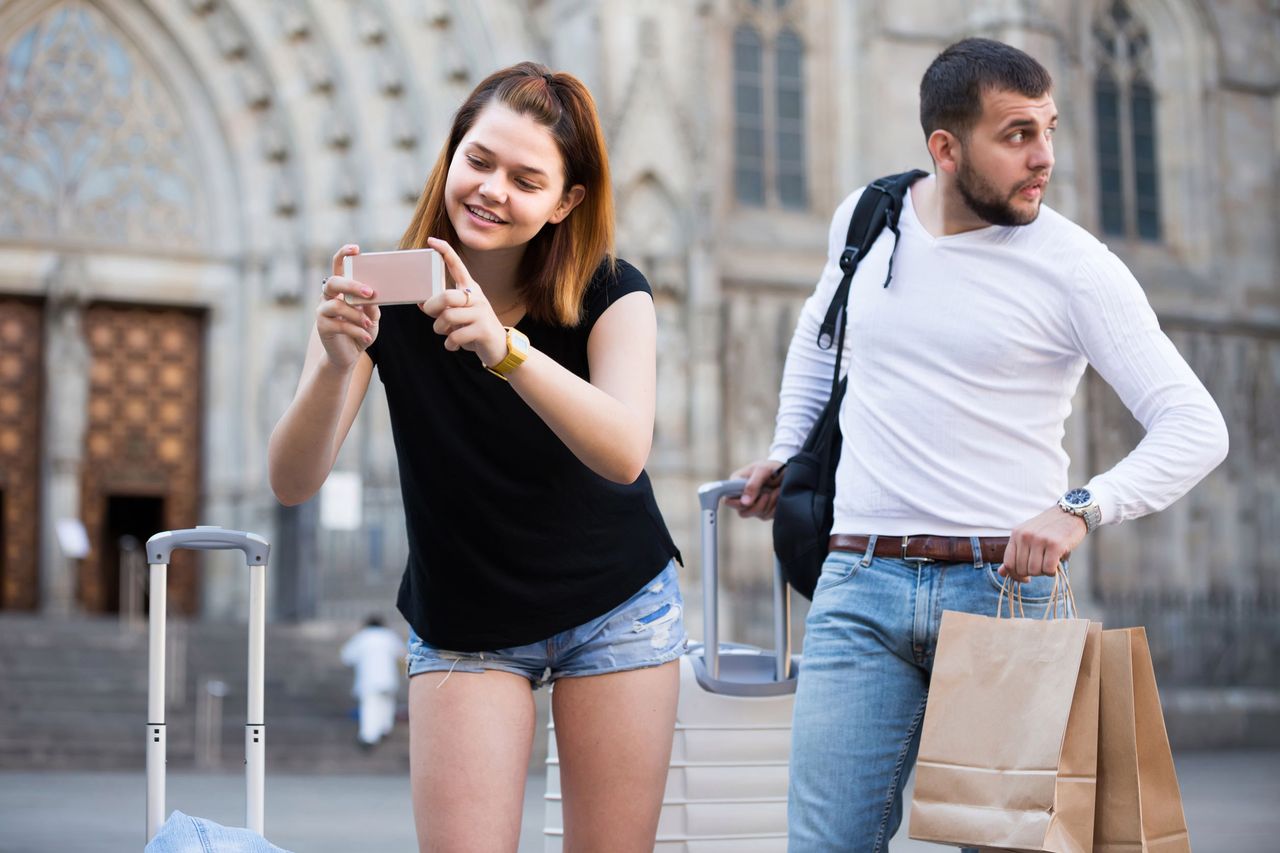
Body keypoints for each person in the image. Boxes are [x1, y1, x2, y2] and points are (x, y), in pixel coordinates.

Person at [730, 38, 1228, 852]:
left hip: (1003, 594)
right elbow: (823, 342)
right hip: (857, 583)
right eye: (1018, 134)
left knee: (1009, 846)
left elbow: (1196, 424)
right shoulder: (869, 218)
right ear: (946, 148)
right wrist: (789, 453)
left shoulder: (1076, 266)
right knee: (824, 844)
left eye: (1050, 129)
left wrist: (1083, 508)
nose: (1047, 158)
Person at [268, 63, 685, 853]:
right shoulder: (382, 298)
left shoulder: (614, 292)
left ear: (565, 203)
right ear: (451, 154)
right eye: (480, 160)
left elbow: (625, 450)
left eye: (528, 179)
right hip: (466, 618)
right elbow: (292, 480)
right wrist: (331, 363)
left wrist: (505, 350)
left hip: (615, 602)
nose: (493, 189)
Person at [340, 615, 405, 749]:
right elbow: (402, 653)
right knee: (387, 703)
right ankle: (385, 729)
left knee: (370, 707)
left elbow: (347, 657)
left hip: (368, 679)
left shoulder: (362, 637)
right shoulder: (389, 636)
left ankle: (368, 736)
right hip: (388, 677)